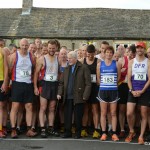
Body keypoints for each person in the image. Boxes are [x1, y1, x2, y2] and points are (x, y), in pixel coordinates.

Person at [57, 51, 91, 139]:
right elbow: (61, 83)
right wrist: (59, 93)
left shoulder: (83, 68)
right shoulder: (67, 68)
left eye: (70, 58)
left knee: (78, 117)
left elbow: (88, 83)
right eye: (68, 58)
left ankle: (78, 132)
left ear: (75, 58)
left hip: (79, 97)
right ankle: (67, 132)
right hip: (67, 97)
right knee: (67, 116)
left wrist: (85, 96)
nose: (68, 60)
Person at [9, 38, 37, 138]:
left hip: (28, 84)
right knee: (15, 107)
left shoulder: (32, 56)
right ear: (19, 45)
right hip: (17, 83)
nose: (24, 47)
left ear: (28, 46)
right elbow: (9, 70)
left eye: (26, 45)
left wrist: (34, 86)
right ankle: (13, 130)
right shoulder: (14, 56)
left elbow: (34, 70)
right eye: (22, 45)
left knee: (29, 106)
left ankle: (29, 129)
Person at [125, 41, 150, 145]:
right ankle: (131, 131)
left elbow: (149, 79)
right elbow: (129, 79)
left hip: (144, 91)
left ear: (144, 49)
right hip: (133, 90)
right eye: (138, 48)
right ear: (136, 50)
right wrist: (132, 90)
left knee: (144, 113)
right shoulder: (131, 62)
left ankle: (141, 135)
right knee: (129, 113)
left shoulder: (148, 62)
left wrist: (142, 91)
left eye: (141, 48)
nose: (139, 50)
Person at [34, 39, 60, 138]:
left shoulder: (58, 59)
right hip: (44, 85)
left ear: (56, 48)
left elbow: (60, 73)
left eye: (53, 48)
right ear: (47, 48)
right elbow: (36, 74)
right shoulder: (41, 59)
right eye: (49, 48)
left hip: (54, 84)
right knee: (43, 107)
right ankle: (42, 129)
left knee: (52, 108)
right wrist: (35, 87)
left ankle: (50, 127)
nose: (51, 50)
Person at [97, 46, 121, 141]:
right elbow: (98, 78)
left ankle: (114, 133)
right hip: (103, 90)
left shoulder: (117, 64)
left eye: (111, 52)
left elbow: (119, 77)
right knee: (103, 112)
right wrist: (103, 84)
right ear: (104, 53)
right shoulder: (99, 64)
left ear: (112, 54)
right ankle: (103, 133)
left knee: (113, 113)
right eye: (107, 52)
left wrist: (113, 84)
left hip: (113, 90)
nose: (109, 54)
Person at [81, 44, 100, 138]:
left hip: (95, 87)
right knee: (85, 109)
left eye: (92, 54)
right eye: (88, 54)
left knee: (95, 109)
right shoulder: (82, 61)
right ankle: (84, 128)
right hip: (85, 88)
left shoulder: (98, 61)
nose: (90, 56)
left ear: (95, 53)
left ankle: (96, 129)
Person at [0, 46, 8, 138]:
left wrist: (5, 82)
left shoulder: (3, 51)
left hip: (1, 81)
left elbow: (6, 68)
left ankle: (1, 129)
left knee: (1, 106)